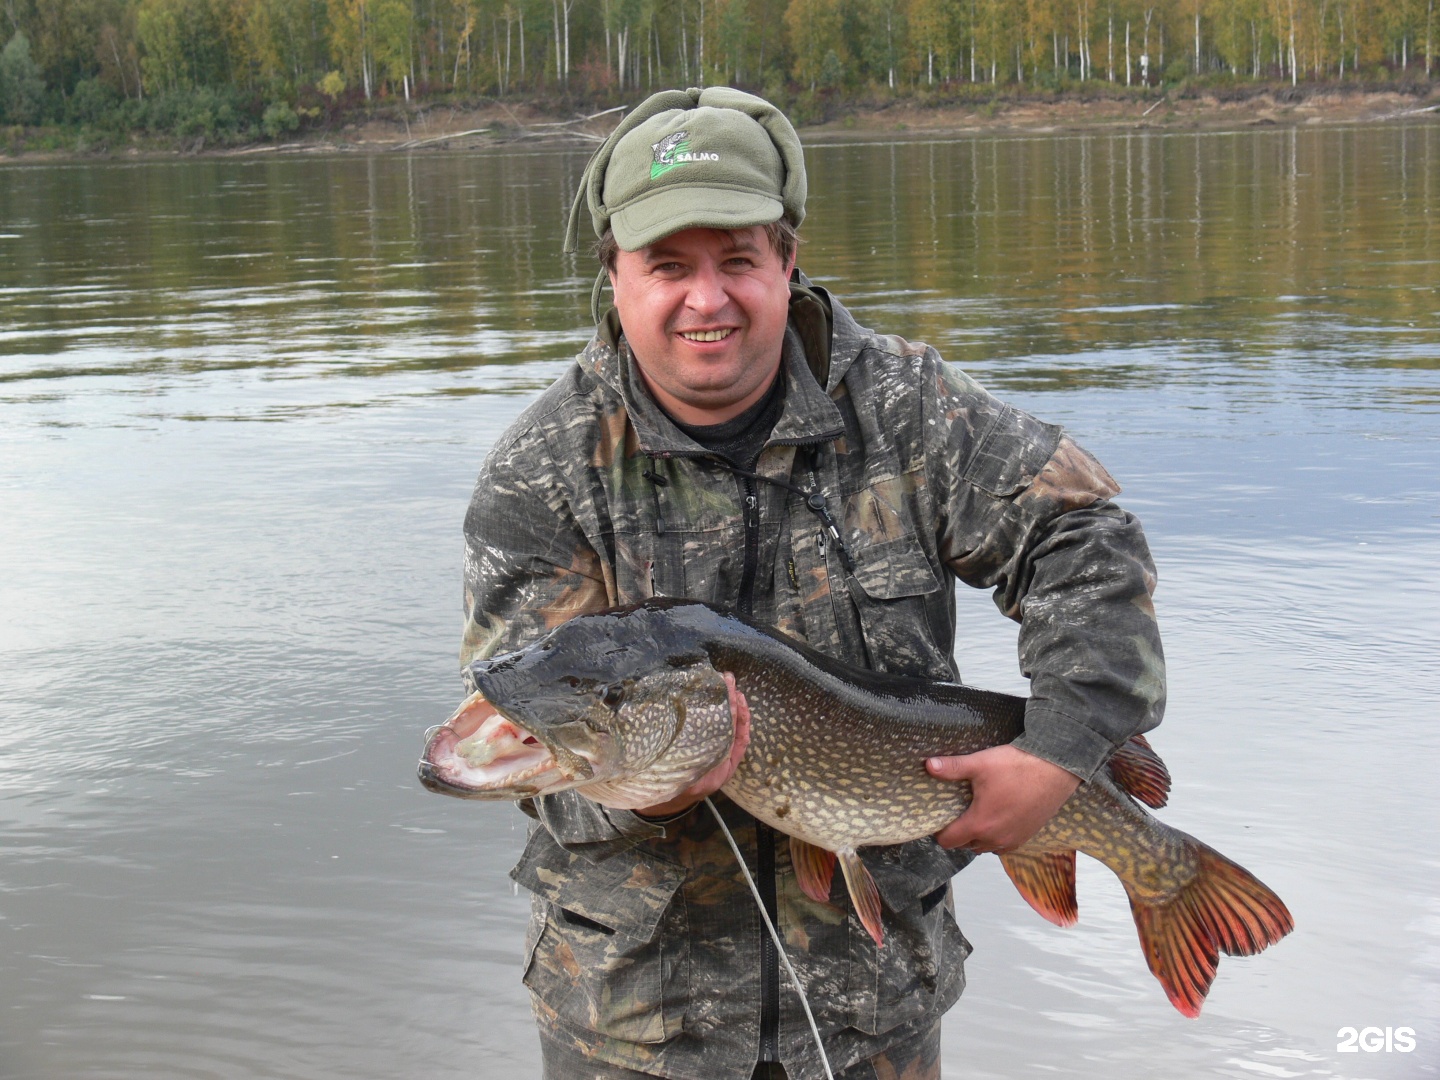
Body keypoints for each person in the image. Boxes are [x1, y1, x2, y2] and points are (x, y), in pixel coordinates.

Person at [460, 86, 1165, 1080]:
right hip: (635, 1022)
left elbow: (1085, 538)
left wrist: (1058, 751)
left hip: (874, 1005)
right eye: (667, 265)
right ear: (615, 277)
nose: (707, 299)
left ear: (786, 263)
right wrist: (644, 794)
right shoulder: (543, 468)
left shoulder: (909, 408)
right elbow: (534, 745)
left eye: (738, 260)